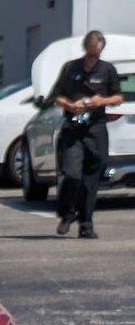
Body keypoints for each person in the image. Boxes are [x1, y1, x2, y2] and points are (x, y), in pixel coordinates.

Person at [47, 30, 123, 239]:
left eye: (96, 55)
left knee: (91, 180)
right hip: (73, 129)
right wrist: (70, 105)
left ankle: (86, 224)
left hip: (96, 129)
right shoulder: (71, 68)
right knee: (71, 174)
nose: (93, 59)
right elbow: (57, 97)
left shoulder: (108, 70)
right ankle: (67, 213)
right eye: (90, 55)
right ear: (85, 49)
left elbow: (117, 96)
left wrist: (101, 101)